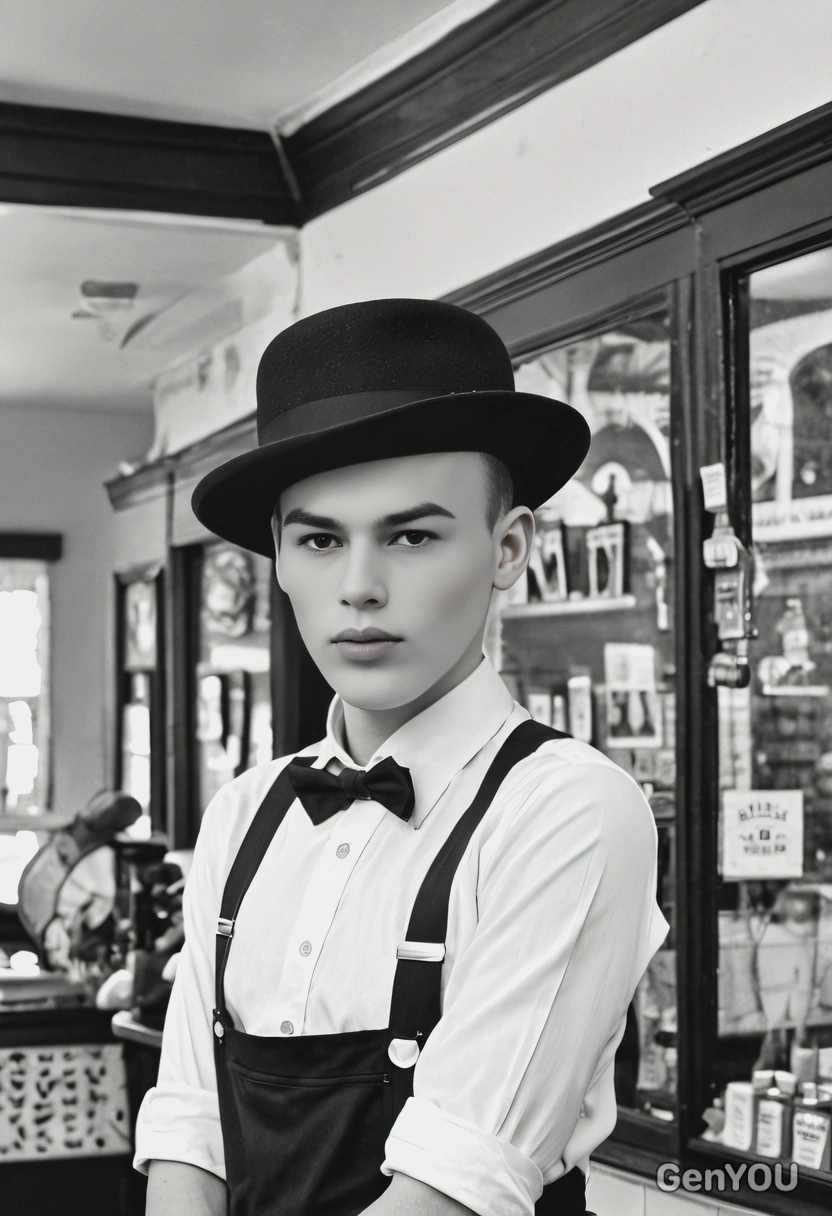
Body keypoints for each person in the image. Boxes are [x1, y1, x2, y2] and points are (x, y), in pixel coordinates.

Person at [135, 299, 669, 1216]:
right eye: (319, 539)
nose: (359, 589)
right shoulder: (244, 813)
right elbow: (190, 1132)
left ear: (509, 549)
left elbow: (452, 1188)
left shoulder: (571, 810)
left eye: (412, 535)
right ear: (279, 557)